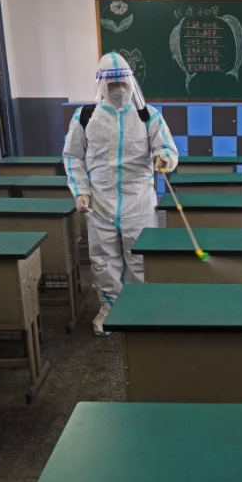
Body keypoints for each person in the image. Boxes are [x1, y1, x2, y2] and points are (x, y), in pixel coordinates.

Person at [63, 52, 178, 336]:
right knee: (103, 259)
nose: (118, 89)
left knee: (140, 257)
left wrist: (164, 158)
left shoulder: (147, 115)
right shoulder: (86, 116)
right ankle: (110, 308)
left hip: (138, 202)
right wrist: (81, 191)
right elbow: (73, 156)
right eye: (112, 84)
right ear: (102, 85)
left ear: (131, 82)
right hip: (100, 203)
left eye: (122, 83)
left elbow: (167, 148)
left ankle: (139, 307)